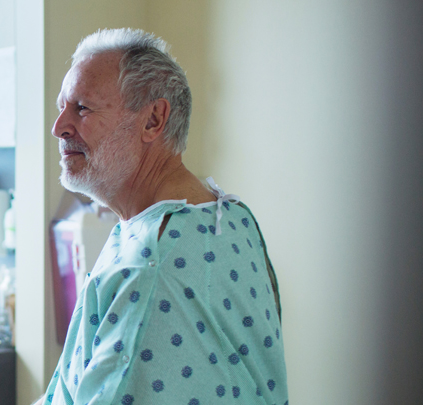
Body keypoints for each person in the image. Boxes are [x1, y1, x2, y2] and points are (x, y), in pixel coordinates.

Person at [34, 28, 287, 405]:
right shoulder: (233, 218)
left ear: (153, 120)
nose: (59, 127)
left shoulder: (148, 268)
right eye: (61, 107)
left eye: (82, 108)